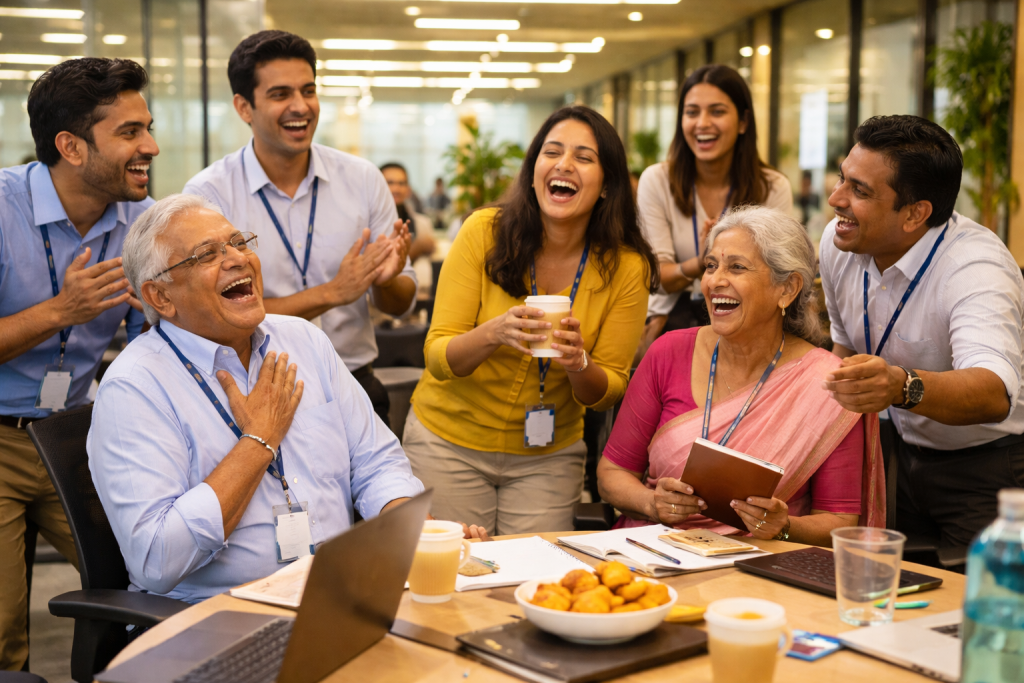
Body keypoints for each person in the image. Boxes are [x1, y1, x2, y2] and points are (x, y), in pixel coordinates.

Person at [88, 194, 484, 604]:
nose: (238, 259)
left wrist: (410, 528)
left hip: (339, 591)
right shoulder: (135, 386)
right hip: (215, 613)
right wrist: (258, 442)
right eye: (207, 254)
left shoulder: (302, 339)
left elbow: (375, 462)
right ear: (160, 297)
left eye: (240, 242)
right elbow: (156, 561)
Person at [403, 105, 659, 536]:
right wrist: (494, 333)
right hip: (448, 445)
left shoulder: (627, 267)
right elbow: (438, 358)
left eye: (583, 157)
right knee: (454, 576)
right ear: (534, 168)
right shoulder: (484, 232)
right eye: (552, 151)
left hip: (548, 456)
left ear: (606, 185)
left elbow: (608, 390)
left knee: (535, 578)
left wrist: (578, 363)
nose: (563, 164)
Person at [598, 206, 885, 547]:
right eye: (710, 266)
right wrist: (652, 503)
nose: (715, 280)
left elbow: (839, 520)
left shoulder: (826, 383)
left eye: (736, 267)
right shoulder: (668, 353)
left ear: (787, 288)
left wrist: (784, 526)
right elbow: (612, 474)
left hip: (761, 567)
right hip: (654, 553)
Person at [0, 57, 157, 671]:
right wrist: (60, 310)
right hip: (1, 437)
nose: (150, 145)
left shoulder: (143, 222)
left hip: (81, 435)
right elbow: (65, 314)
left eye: (147, 127)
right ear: (70, 146)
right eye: (129, 132)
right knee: (4, 634)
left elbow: (155, 342)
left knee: (149, 581)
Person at [183, 30, 415, 428]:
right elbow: (212, 314)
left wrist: (387, 280)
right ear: (244, 107)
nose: (300, 107)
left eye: (308, 91)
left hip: (355, 382)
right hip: (257, 391)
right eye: (280, 94)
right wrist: (332, 293)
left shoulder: (362, 179)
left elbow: (400, 303)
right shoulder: (209, 194)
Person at [819, 115, 1024, 552]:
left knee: (972, 608)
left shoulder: (975, 269)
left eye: (860, 190)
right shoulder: (840, 244)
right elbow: (842, 349)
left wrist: (900, 385)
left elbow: (993, 392)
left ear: (915, 213)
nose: (835, 199)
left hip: (987, 466)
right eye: (842, 179)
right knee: (891, 591)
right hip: (896, 453)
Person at [637, 65, 792, 357]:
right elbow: (655, 276)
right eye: (692, 112)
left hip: (748, 325)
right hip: (673, 325)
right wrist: (701, 263)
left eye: (717, 112)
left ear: (744, 121)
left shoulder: (772, 187)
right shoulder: (656, 180)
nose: (702, 123)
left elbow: (779, 276)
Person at [381, 162, 436, 262]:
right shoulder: (367, 224)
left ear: (408, 188)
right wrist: (417, 247)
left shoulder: (422, 224)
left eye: (402, 183)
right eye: (390, 183)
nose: (396, 189)